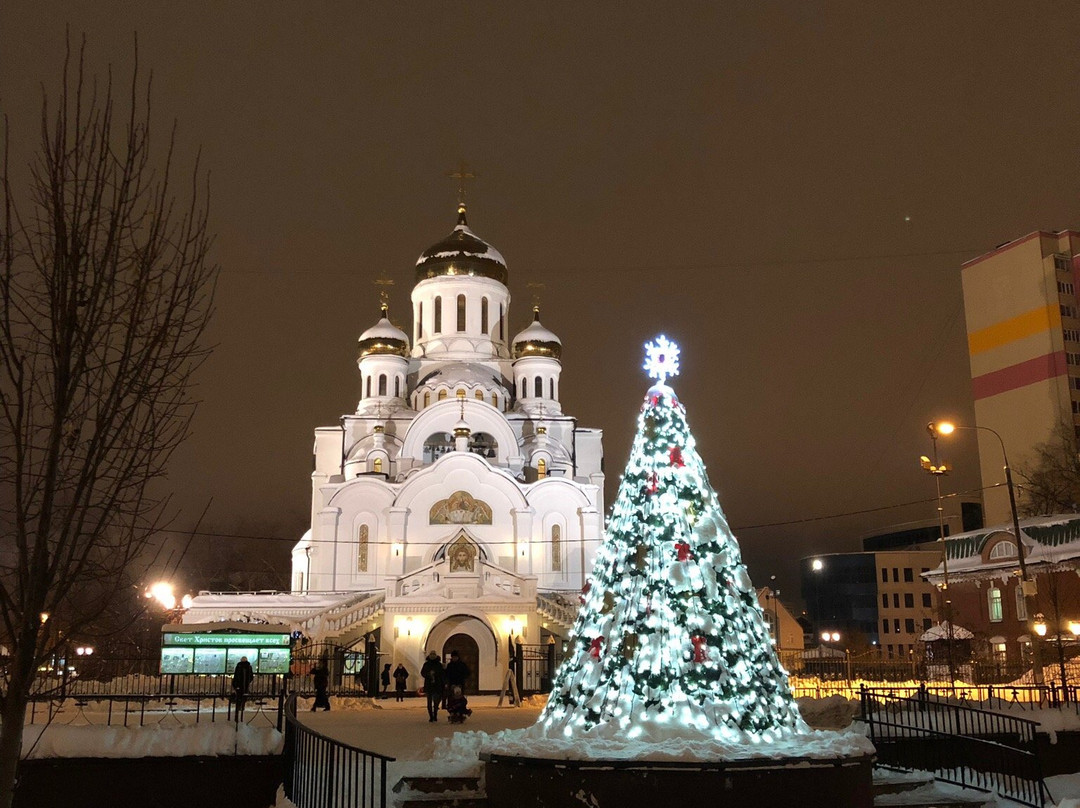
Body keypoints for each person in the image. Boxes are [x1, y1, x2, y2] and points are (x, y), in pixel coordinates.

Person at [420, 651, 445, 722]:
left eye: (434, 654)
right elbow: (423, 673)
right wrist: (428, 674)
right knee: (429, 702)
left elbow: (442, 674)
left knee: (436, 701)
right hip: (429, 685)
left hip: (437, 685)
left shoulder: (439, 664)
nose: (432, 656)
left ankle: (435, 714)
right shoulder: (426, 664)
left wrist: (436, 674)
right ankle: (431, 716)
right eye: (431, 654)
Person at [232, 656, 254, 723]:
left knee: (239, 695)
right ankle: (242, 706)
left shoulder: (239, 666)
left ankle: (239, 707)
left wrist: (235, 684)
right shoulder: (249, 667)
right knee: (244, 695)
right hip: (245, 685)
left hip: (239, 685)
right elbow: (251, 677)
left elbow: (236, 676)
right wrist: (248, 682)